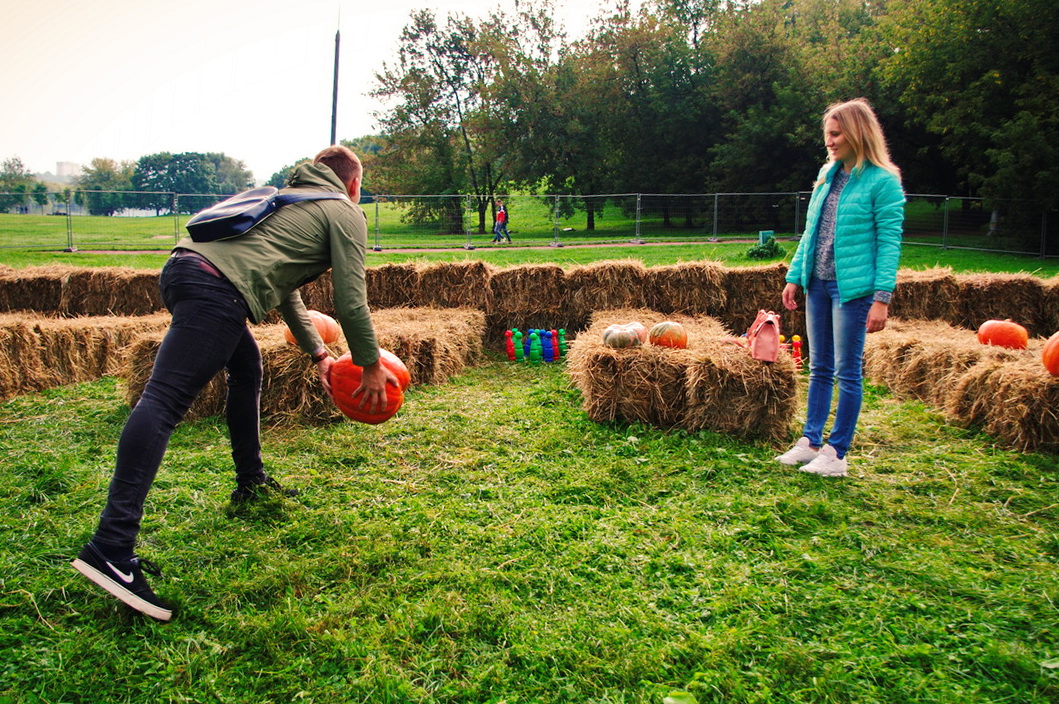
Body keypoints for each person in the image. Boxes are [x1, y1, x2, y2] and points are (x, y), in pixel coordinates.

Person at [71, 145, 398, 620]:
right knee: (162, 403)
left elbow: (285, 290)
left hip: (185, 270)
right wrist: (368, 362)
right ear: (353, 184)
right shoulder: (344, 212)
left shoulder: (292, 200)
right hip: (216, 290)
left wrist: (320, 354)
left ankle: (251, 481)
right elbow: (351, 300)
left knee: (248, 369)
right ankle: (111, 547)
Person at [776, 98, 905, 477]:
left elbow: (890, 243)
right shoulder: (827, 176)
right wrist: (795, 276)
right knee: (819, 366)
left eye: (836, 134)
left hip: (852, 290)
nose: (829, 141)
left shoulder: (883, 182)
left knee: (847, 371)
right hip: (817, 283)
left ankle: (838, 453)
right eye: (827, 135)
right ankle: (811, 441)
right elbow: (811, 231)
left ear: (857, 133)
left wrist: (882, 298)